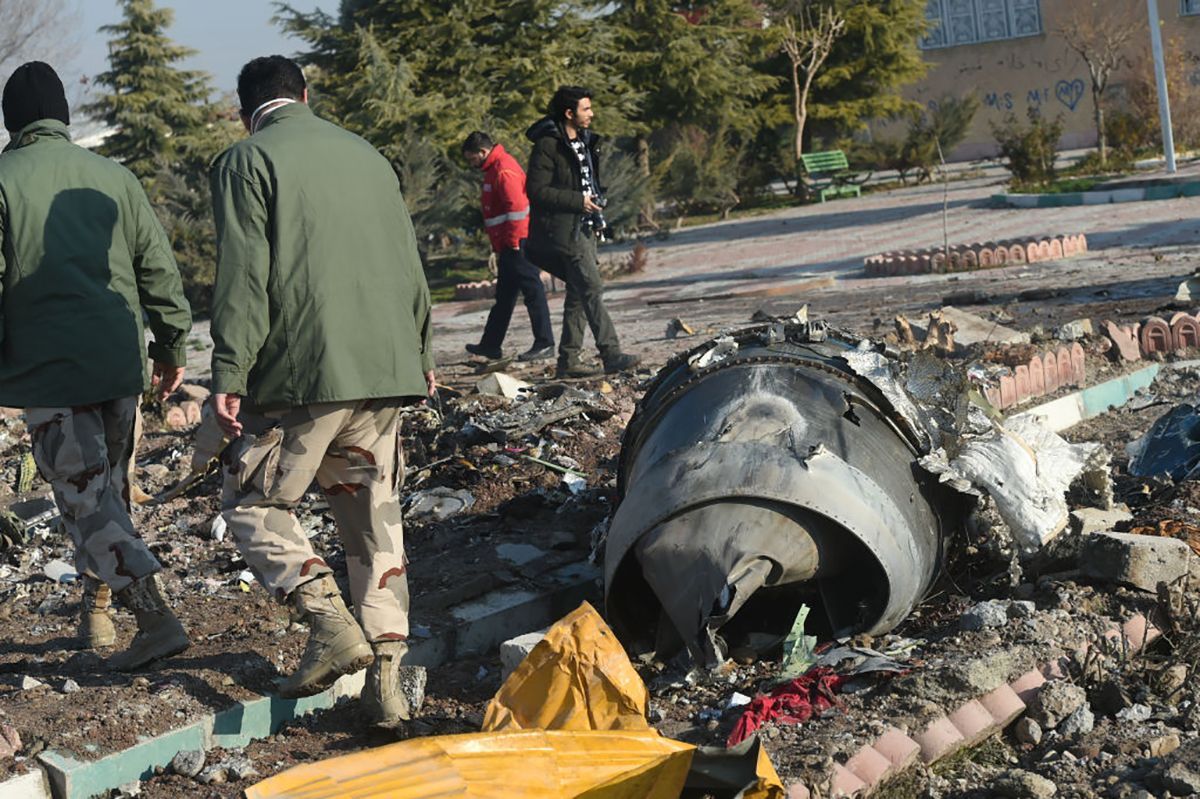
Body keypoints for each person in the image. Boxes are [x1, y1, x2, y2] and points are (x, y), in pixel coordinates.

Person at [208, 56, 435, 727]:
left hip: (304, 373)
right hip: (385, 369)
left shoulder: (247, 162)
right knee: (373, 519)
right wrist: (420, 350)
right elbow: (407, 258)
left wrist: (228, 372)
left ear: (243, 108)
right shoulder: (366, 155)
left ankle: (328, 620)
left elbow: (244, 279)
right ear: (306, 96)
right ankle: (388, 688)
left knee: (249, 500)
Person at [0, 62, 193, 670]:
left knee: (87, 501)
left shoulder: (2, 180)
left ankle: (155, 617)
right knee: (106, 496)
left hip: (50, 371)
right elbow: (156, 267)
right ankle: (99, 614)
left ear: (10, 122)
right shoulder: (114, 177)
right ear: (63, 115)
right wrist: (170, 346)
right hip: (117, 363)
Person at [524, 86, 640, 378]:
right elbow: (536, 191)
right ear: (569, 113)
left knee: (578, 291)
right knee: (591, 287)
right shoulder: (548, 145)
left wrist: (597, 199)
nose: (591, 114)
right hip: (563, 232)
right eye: (586, 109)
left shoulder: (586, 141)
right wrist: (578, 201)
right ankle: (611, 354)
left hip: (587, 228)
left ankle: (568, 362)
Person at [461, 131, 554, 363]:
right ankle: (491, 345)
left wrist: (513, 242)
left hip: (517, 243)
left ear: (483, 152)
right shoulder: (494, 169)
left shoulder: (503, 170)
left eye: (472, 158)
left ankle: (545, 343)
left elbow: (517, 209)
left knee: (533, 291)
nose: (471, 164)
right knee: (504, 296)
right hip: (508, 244)